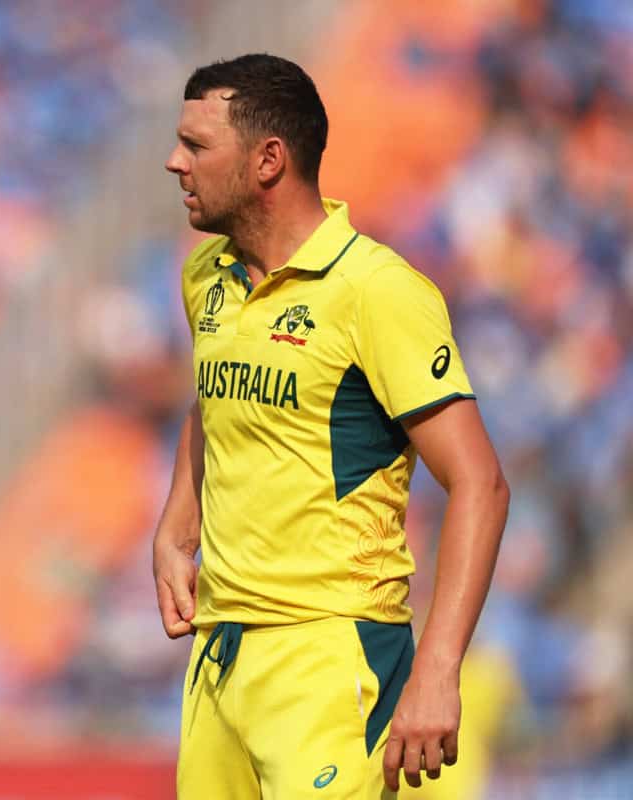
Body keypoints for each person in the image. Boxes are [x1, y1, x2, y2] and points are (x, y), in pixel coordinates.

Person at [153, 54, 510, 798]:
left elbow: (480, 480)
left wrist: (439, 674)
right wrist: (175, 526)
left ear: (268, 160)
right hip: (218, 659)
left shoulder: (377, 292)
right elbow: (214, 399)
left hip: (332, 656)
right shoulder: (206, 278)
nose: (173, 162)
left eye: (196, 146)